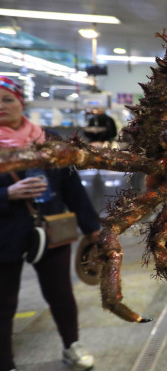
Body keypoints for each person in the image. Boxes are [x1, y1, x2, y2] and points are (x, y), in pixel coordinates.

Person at [0, 77, 101, 371]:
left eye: (7, 99)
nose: (1, 106)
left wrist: (92, 227)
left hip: (51, 228)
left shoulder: (50, 139)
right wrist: (7, 193)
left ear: (22, 103)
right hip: (4, 233)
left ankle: (72, 346)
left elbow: (73, 188)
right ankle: (6, 363)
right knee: (4, 303)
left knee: (60, 294)